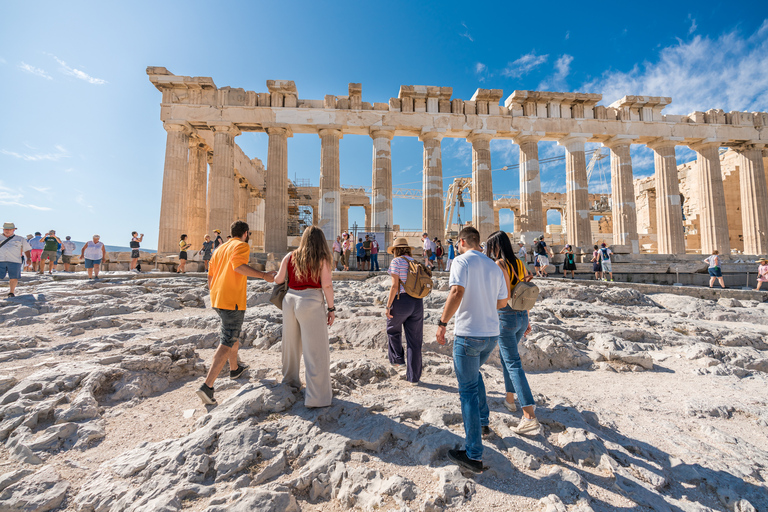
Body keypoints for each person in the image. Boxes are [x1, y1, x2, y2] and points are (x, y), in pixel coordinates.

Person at [436, 227, 507, 473]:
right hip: (491, 335)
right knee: (475, 376)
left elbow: (456, 292)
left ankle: (473, 454)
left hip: (469, 334)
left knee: (467, 390)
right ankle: (484, 422)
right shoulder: (494, 266)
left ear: (463, 241)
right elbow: (501, 302)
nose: (456, 246)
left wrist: (442, 323)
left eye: (457, 243)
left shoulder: (461, 261)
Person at [196, 221, 276, 405]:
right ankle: (207, 386)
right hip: (231, 300)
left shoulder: (220, 248)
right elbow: (238, 266)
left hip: (217, 298)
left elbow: (210, 274)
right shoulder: (241, 245)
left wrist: (214, 291)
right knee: (227, 340)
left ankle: (234, 368)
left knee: (232, 333)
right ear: (246, 233)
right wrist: (264, 276)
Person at [485, 231, 540, 435]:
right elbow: (525, 289)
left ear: (496, 246)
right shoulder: (518, 262)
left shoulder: (500, 264)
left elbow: (505, 295)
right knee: (507, 357)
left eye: (490, 246)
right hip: (521, 315)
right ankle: (510, 399)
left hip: (506, 316)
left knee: (513, 362)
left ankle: (529, 415)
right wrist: (526, 317)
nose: (488, 251)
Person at [274, 226, 335, 408]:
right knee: (315, 350)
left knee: (290, 345)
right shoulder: (322, 259)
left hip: (289, 300)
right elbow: (327, 286)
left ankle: (290, 384)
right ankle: (317, 398)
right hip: (310, 301)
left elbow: (278, 279)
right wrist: (331, 308)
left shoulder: (291, 256)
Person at [385, 237, 423, 384]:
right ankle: (414, 378)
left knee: (392, 329)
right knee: (415, 341)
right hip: (417, 302)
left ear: (395, 250)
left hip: (401, 300)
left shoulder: (396, 261)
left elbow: (395, 286)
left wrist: (388, 305)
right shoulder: (414, 262)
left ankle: (397, 360)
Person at [1, 223, 32, 297]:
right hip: (0, 260)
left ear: (13, 230)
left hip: (14, 260)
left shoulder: (20, 239)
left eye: (9, 229)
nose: (7, 231)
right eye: (6, 229)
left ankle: (11, 292)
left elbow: (26, 249)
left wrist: (28, 258)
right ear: (3, 229)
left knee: (14, 277)